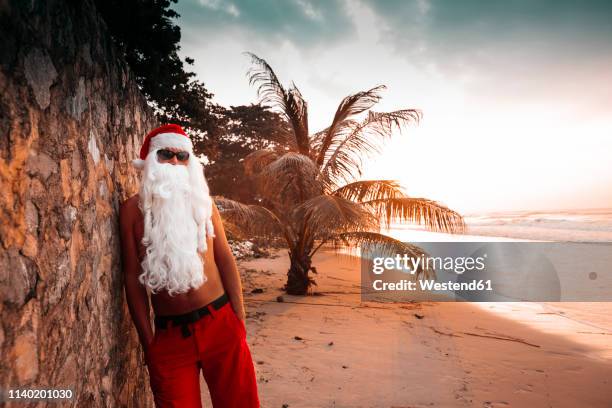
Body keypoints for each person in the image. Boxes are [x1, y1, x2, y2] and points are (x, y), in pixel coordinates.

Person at [119, 124, 260, 407]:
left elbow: (225, 258)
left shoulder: (203, 204)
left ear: (190, 163)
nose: (174, 162)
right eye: (166, 154)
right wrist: (149, 344)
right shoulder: (131, 212)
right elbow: (132, 278)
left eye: (182, 156)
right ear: (150, 161)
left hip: (220, 323)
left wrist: (238, 320)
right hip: (170, 338)